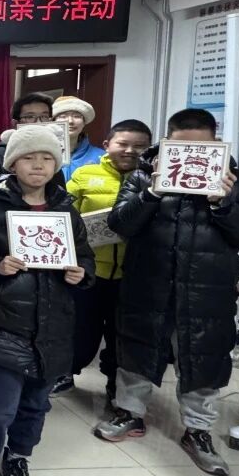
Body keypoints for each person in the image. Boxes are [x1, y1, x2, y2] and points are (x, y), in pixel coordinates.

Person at [94, 108, 239, 476]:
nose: (192, 154)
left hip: (207, 291)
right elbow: (120, 224)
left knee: (204, 358)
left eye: (202, 147)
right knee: (136, 350)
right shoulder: (143, 175)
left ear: (216, 142)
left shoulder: (238, 182)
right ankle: (129, 412)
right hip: (147, 283)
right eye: (181, 147)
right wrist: (152, 192)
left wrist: (222, 204)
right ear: (167, 143)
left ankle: (198, 430)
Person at [0, 131, 95, 476]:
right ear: (12, 163)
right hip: (3, 323)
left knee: (36, 404)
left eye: (47, 158)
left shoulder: (66, 209)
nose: (38, 165)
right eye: (29, 157)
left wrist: (81, 273)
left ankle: (17, 459)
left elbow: (85, 257)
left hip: (54, 327)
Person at [57, 119, 153, 400]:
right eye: (123, 144)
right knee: (80, 329)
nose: (130, 151)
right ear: (107, 145)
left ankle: (115, 383)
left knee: (121, 334)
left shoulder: (154, 182)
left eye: (139, 146)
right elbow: (64, 212)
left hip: (134, 273)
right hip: (90, 270)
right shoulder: (85, 174)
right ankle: (66, 373)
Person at [0, 93, 55, 180]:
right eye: (30, 117)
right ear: (15, 123)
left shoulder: (53, 149)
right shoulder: (2, 153)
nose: (39, 122)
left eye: (44, 116)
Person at [53, 96, 105, 181]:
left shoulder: (101, 156)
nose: (70, 121)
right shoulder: (42, 154)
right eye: (63, 116)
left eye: (77, 116)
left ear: (84, 122)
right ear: (53, 121)